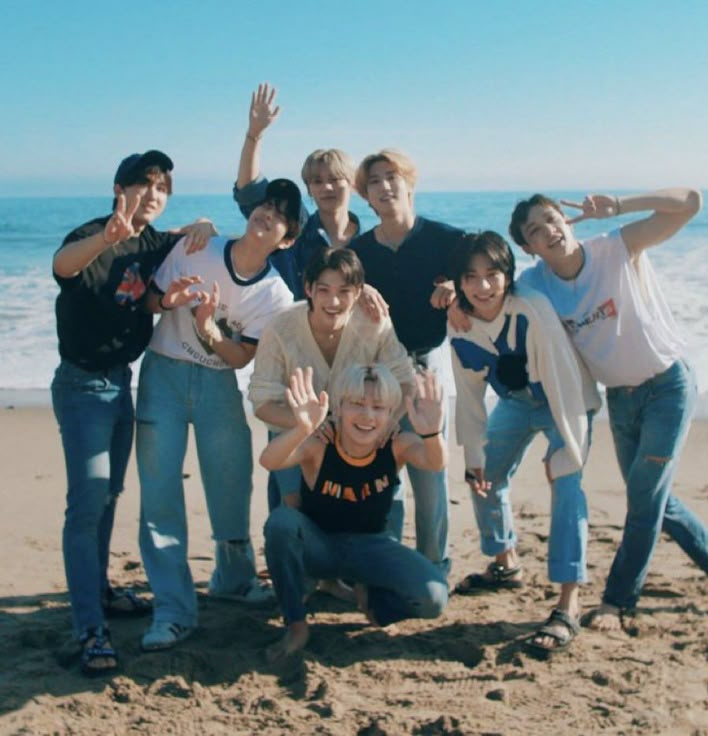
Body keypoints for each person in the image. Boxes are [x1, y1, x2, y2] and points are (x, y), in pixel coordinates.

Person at [509, 189, 708, 630]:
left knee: (644, 501)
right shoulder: (535, 285)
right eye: (535, 230)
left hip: (668, 388)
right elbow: (492, 294)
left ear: (567, 220)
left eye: (552, 219)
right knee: (653, 498)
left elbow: (690, 202)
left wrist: (617, 206)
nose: (549, 232)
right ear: (528, 247)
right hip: (620, 399)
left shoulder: (614, 248)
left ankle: (616, 602)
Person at [52, 150, 216, 675]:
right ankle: (89, 628)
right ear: (118, 188)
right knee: (87, 504)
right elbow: (62, 266)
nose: (152, 196)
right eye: (143, 185)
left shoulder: (151, 243)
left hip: (122, 383)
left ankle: (97, 592)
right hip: (81, 386)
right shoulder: (91, 235)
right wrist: (107, 237)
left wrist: (168, 299)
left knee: (108, 498)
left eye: (162, 188)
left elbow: (166, 261)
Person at [136, 178, 301, 651]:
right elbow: (149, 299)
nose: (266, 214)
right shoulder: (200, 247)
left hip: (217, 384)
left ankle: (233, 579)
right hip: (162, 375)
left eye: (279, 215)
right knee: (160, 492)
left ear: (287, 238)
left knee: (232, 482)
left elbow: (239, 358)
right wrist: (169, 302)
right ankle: (172, 609)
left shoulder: (274, 295)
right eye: (264, 206)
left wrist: (208, 329)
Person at [447, 232, 600, 654]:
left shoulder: (532, 310)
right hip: (517, 402)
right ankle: (505, 563)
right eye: (471, 277)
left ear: (508, 275)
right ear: (459, 282)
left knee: (567, 484)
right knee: (483, 474)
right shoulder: (460, 321)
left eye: (492, 275)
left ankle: (568, 602)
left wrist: (567, 448)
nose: (482, 287)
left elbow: (566, 385)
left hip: (566, 400)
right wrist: (473, 456)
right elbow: (469, 394)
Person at [260, 364, 449, 662]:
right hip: (318, 546)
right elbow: (270, 460)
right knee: (281, 523)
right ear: (339, 406)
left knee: (434, 598)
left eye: (378, 407)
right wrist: (302, 429)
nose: (367, 416)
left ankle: (372, 601)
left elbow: (434, 463)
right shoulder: (321, 442)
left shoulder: (395, 443)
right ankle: (296, 624)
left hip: (370, 547)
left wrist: (432, 433)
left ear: (390, 414)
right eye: (357, 404)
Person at [350, 149, 464, 574]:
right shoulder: (359, 252)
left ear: (409, 183)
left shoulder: (446, 240)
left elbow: (490, 273)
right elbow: (331, 296)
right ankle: (389, 566)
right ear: (367, 196)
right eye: (374, 182)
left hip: (426, 365)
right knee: (383, 475)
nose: (384, 187)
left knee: (431, 476)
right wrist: (355, 294)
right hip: (377, 369)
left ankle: (435, 566)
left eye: (391, 177)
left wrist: (457, 286)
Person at [249, 247, 415, 511]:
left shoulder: (374, 322)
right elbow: (262, 403)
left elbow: (406, 382)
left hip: (362, 430)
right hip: (297, 432)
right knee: (292, 513)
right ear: (308, 288)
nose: (333, 302)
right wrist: (307, 423)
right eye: (324, 290)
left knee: (384, 504)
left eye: (344, 292)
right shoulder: (280, 327)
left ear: (359, 293)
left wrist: (388, 422)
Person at [233, 83, 381, 315]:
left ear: (352, 184)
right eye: (317, 181)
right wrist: (254, 136)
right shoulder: (293, 230)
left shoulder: (370, 242)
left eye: (335, 178)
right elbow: (249, 189)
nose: (327, 187)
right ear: (309, 189)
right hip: (292, 339)